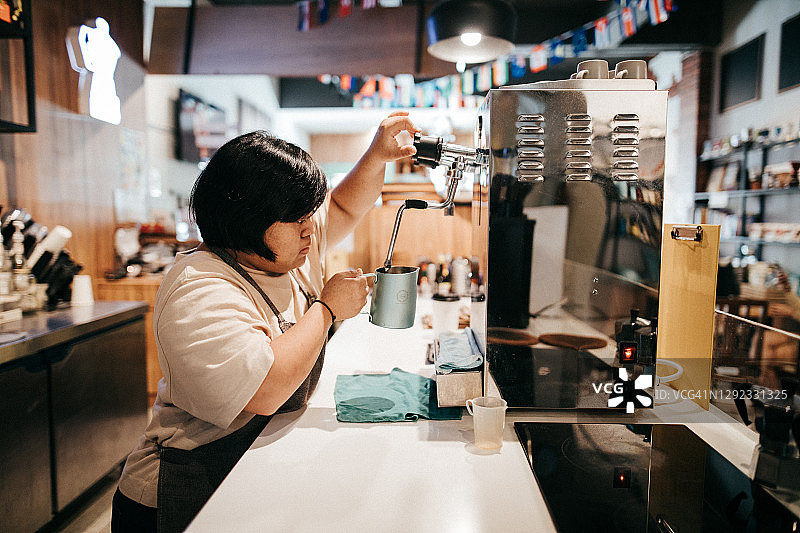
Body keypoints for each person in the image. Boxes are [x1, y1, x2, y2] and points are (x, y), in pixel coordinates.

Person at [111, 112, 420, 533]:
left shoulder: (283, 250)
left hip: (246, 470)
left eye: (309, 214)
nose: (311, 228)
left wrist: (377, 154)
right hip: (177, 493)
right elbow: (264, 390)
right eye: (298, 219)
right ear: (248, 221)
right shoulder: (199, 288)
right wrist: (327, 309)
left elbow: (346, 205)